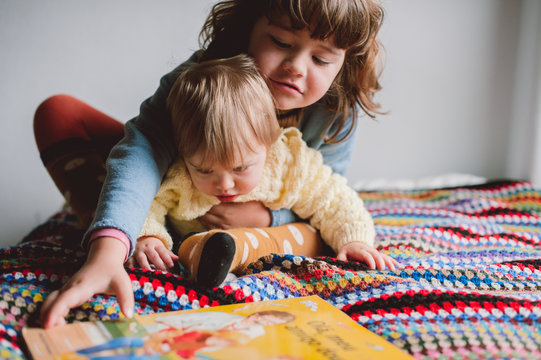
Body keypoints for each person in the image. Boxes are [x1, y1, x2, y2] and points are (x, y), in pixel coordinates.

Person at [37, 0, 387, 328]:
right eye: (281, 42)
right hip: (177, 195)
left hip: (271, 217)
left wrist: (266, 217)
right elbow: (143, 154)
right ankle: (132, 235)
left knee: (324, 233)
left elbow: (329, 198)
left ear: (345, 63)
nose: (296, 67)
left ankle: (214, 249)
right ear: (249, 27)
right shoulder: (199, 79)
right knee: (60, 114)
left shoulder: (334, 114)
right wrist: (109, 250)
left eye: (322, 60)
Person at [132, 55, 396, 287]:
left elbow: (335, 201)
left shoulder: (288, 164)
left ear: (269, 143)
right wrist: (148, 236)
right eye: (203, 170)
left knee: (308, 236)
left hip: (264, 236)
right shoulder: (179, 173)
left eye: (240, 168)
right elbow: (145, 202)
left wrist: (355, 242)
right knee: (189, 244)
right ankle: (201, 254)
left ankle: (229, 251)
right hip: (190, 239)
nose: (224, 184)